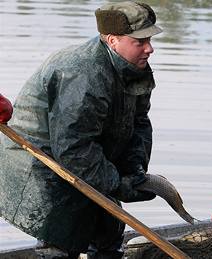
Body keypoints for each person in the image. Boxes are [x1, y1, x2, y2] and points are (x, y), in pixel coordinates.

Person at [0, 1, 162, 258]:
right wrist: (117, 183)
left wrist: (134, 171)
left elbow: (139, 122)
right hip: (43, 162)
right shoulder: (83, 74)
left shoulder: (134, 69)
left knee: (109, 230)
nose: (149, 48)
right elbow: (74, 148)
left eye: (150, 39)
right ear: (112, 40)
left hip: (88, 157)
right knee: (62, 235)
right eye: (140, 41)